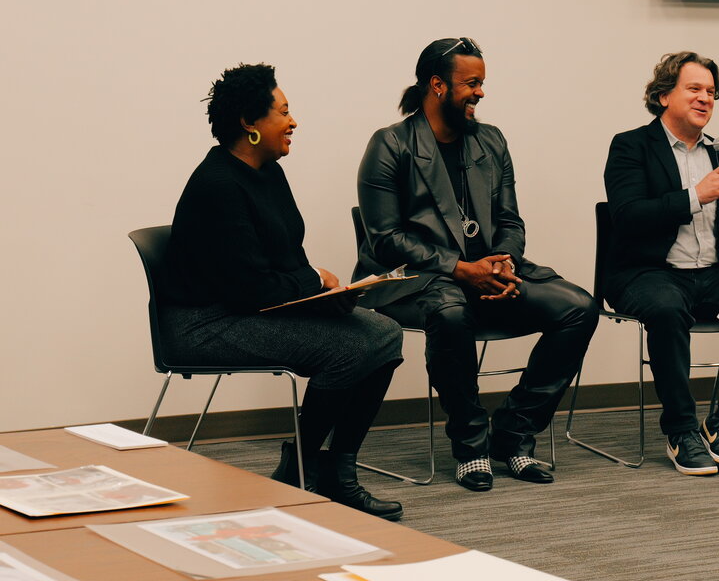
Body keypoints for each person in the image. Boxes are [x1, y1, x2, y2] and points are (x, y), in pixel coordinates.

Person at [162, 63, 405, 519]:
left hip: (247, 307)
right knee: (348, 350)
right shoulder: (217, 185)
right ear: (249, 124)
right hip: (205, 322)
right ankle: (300, 468)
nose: (293, 122)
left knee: (385, 335)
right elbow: (246, 287)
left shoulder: (267, 171)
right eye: (284, 112)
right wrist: (315, 281)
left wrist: (329, 295)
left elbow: (282, 257)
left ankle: (337, 471)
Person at [356, 38, 598, 491]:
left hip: (486, 274)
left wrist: (505, 263)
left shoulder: (490, 140)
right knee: (450, 312)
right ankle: (470, 443)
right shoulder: (390, 145)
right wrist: (460, 269)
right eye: (471, 83)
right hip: (415, 281)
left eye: (482, 83)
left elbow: (509, 219)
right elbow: (385, 240)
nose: (481, 93)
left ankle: (514, 432)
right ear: (437, 85)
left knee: (578, 307)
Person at [603, 51, 719, 476]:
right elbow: (628, 216)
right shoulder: (631, 145)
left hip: (711, 276)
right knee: (668, 308)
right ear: (663, 95)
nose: (704, 98)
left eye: (711, 92)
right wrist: (696, 195)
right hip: (646, 272)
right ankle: (681, 431)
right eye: (693, 89)